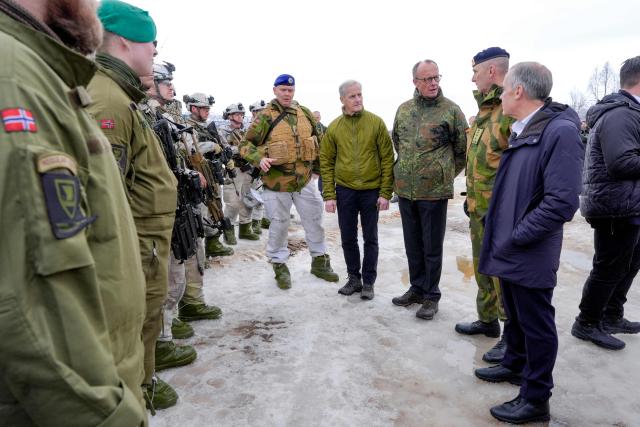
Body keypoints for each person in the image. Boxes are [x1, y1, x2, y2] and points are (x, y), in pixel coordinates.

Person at [0, 0, 147, 424]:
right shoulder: (15, 77)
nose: (96, 5)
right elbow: (26, 308)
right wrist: (110, 416)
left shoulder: (39, 71)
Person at [474, 62, 584, 424]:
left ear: (518, 92)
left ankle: (536, 398)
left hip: (529, 250)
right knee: (518, 318)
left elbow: (562, 202)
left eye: (504, 90)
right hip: (512, 246)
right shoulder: (527, 128)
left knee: (536, 324)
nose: (501, 95)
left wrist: (518, 235)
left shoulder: (560, 131)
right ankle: (514, 364)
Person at [88, 0, 179, 410]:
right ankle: (136, 396)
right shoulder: (108, 100)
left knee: (146, 316)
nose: (155, 52)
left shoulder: (120, 95)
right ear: (125, 42)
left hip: (148, 239)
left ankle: (143, 384)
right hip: (138, 241)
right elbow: (109, 191)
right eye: (150, 43)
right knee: (136, 320)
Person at [240, 74, 339, 289]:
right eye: (283, 89)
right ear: (275, 90)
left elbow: (319, 141)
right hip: (276, 184)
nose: (287, 93)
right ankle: (279, 264)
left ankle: (320, 261)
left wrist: (319, 170)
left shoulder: (305, 113)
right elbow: (245, 145)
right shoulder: (265, 116)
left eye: (290, 90)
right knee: (279, 224)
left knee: (314, 220)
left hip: (304, 181)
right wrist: (260, 159)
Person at [572, 56, 640, 350]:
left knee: (630, 262)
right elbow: (621, 162)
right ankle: (586, 323)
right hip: (614, 206)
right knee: (609, 266)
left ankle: (611, 315)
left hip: (629, 204)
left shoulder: (630, 112)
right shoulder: (621, 114)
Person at [391, 60, 467, 320]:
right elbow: (398, 143)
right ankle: (417, 288)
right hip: (405, 190)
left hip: (434, 192)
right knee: (413, 244)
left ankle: (431, 296)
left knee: (432, 247)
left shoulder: (451, 111)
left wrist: (442, 173)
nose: (433, 83)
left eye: (436, 77)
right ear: (415, 82)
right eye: (427, 79)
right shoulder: (403, 110)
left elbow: (462, 150)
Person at [454, 47, 514, 364]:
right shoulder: (485, 112)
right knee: (482, 267)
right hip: (478, 208)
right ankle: (487, 319)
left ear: (492, 72)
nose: (472, 77)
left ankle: (510, 334)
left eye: (475, 71)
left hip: (501, 211)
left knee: (502, 275)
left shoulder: (510, 108)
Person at [143, 62, 201, 373]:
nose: (172, 89)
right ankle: (160, 345)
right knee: (164, 277)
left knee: (178, 266)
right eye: (166, 83)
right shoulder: (146, 114)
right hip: (157, 208)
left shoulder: (162, 116)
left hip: (175, 203)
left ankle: (167, 331)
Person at [320, 80, 394, 300]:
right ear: (342, 99)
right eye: (352, 96)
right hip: (345, 191)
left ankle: (369, 282)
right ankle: (354, 278)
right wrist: (330, 195)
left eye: (360, 94)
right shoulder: (334, 128)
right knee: (348, 237)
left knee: (371, 238)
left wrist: (385, 192)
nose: (358, 99)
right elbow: (326, 161)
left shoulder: (376, 123)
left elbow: (388, 159)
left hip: (371, 191)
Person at [184, 92, 235, 257]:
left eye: (207, 108)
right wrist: (212, 145)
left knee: (216, 207)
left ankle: (213, 244)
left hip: (212, 173)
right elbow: (190, 148)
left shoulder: (209, 127)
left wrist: (226, 156)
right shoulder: (186, 126)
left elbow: (223, 145)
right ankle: (199, 253)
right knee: (201, 212)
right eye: (203, 108)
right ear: (193, 108)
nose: (206, 111)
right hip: (198, 174)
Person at [219, 102, 260, 241]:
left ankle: (245, 228)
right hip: (233, 169)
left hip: (248, 168)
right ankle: (228, 232)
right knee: (233, 202)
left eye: (242, 114)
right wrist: (245, 149)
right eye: (237, 114)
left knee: (248, 199)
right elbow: (226, 150)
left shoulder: (247, 130)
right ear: (229, 116)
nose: (240, 116)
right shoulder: (222, 131)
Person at [248, 99, 270, 233]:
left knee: (264, 195)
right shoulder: (250, 128)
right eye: (258, 111)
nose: (261, 114)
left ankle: (260, 220)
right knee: (253, 196)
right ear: (253, 113)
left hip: (265, 166)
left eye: (263, 111)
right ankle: (252, 224)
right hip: (252, 167)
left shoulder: (268, 126)